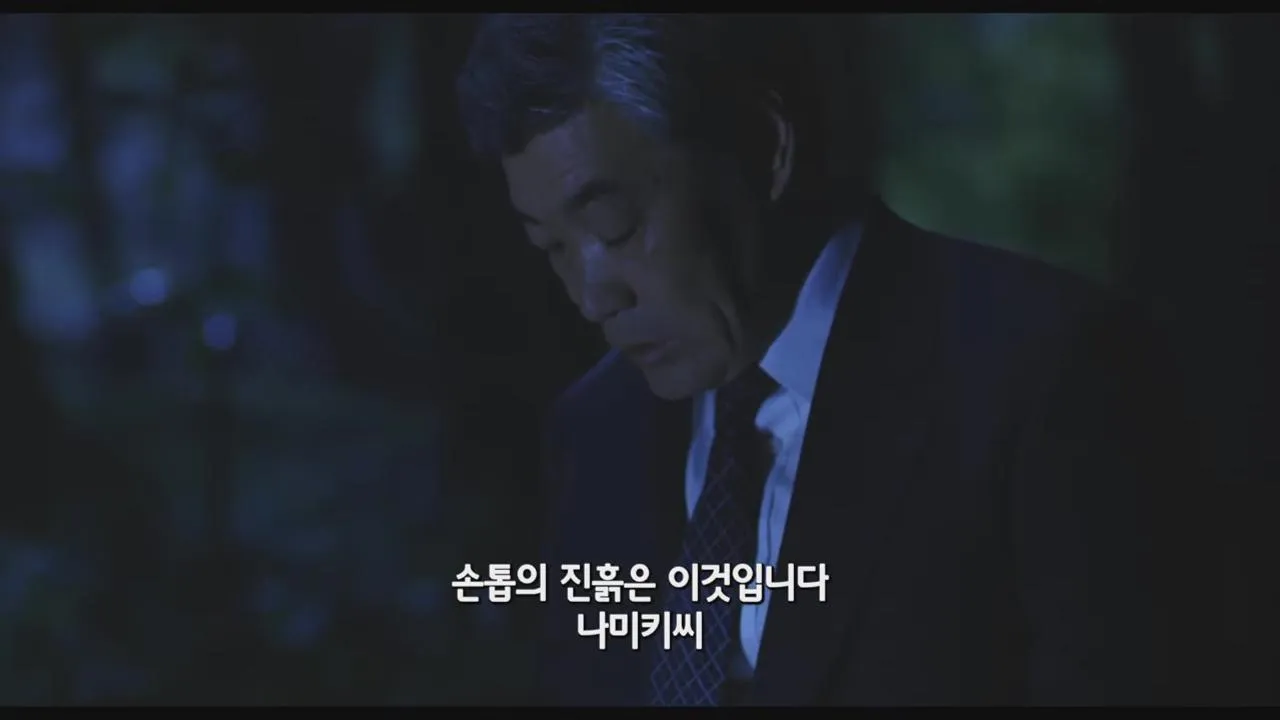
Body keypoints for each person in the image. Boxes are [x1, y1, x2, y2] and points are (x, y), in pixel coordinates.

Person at [455, 13, 1213, 706]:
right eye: (551, 247)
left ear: (764, 147)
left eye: (616, 225)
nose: (592, 296)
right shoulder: (596, 433)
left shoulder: (1040, 371)